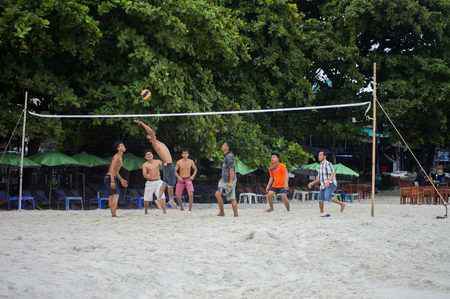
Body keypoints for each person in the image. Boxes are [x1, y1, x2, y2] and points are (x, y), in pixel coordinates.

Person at [134, 120, 176, 214]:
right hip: (168, 165)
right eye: (149, 136)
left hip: (167, 165)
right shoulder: (155, 144)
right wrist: (142, 123)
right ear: (149, 140)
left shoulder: (158, 142)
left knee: (165, 183)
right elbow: (151, 132)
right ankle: (171, 200)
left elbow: (153, 134)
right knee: (170, 184)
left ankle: (158, 199)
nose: (151, 135)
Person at [104, 141, 128, 217]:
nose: (123, 146)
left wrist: (121, 179)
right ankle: (113, 214)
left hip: (109, 177)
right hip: (110, 177)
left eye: (123, 145)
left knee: (112, 196)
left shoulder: (120, 157)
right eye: (121, 145)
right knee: (115, 195)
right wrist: (112, 181)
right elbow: (111, 169)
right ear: (118, 148)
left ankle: (113, 214)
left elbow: (115, 171)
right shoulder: (117, 156)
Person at [215, 140, 238, 217]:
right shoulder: (227, 156)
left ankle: (222, 212)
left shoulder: (229, 156)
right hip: (226, 180)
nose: (222, 146)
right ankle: (235, 214)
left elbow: (232, 169)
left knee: (218, 194)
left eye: (224, 145)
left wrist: (230, 182)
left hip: (228, 181)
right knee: (232, 198)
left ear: (227, 147)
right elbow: (227, 169)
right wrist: (223, 178)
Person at [142, 149, 164, 215]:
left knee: (162, 196)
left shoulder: (158, 161)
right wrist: (146, 175)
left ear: (152, 155)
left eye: (150, 154)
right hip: (150, 182)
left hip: (158, 181)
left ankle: (164, 211)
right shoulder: (145, 165)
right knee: (146, 198)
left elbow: (164, 167)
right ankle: (146, 211)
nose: (149, 155)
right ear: (145, 157)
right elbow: (144, 174)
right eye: (147, 154)